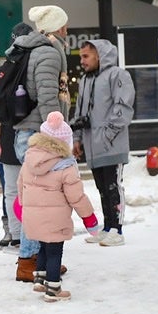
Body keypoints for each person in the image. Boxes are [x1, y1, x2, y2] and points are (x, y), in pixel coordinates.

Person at [11, 5, 71, 281]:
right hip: (39, 133)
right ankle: (28, 260)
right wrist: (55, 133)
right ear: (57, 27)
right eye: (64, 26)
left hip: (33, 132)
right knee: (38, 203)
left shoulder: (35, 50)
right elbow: (48, 96)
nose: (67, 31)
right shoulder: (47, 52)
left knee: (40, 201)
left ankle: (41, 260)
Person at [15, 111, 100, 302]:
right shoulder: (66, 166)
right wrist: (89, 218)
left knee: (43, 246)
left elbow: (20, 185)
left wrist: (24, 206)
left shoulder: (29, 159)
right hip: (55, 219)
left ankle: (40, 278)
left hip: (34, 215)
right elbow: (76, 197)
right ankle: (53, 289)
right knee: (54, 251)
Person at [71, 38, 135, 242]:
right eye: (81, 56)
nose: (82, 61)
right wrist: (77, 138)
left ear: (100, 55)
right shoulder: (85, 80)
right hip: (92, 145)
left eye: (86, 56)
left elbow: (123, 107)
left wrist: (107, 135)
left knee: (113, 186)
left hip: (111, 144)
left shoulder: (118, 75)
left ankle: (117, 229)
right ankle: (107, 228)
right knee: (101, 187)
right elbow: (80, 112)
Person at [0, 22, 34, 251]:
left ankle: (21, 234)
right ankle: (22, 233)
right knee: (19, 189)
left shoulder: (3, 71)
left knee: (15, 189)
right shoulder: (5, 71)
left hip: (12, 133)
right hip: (18, 133)